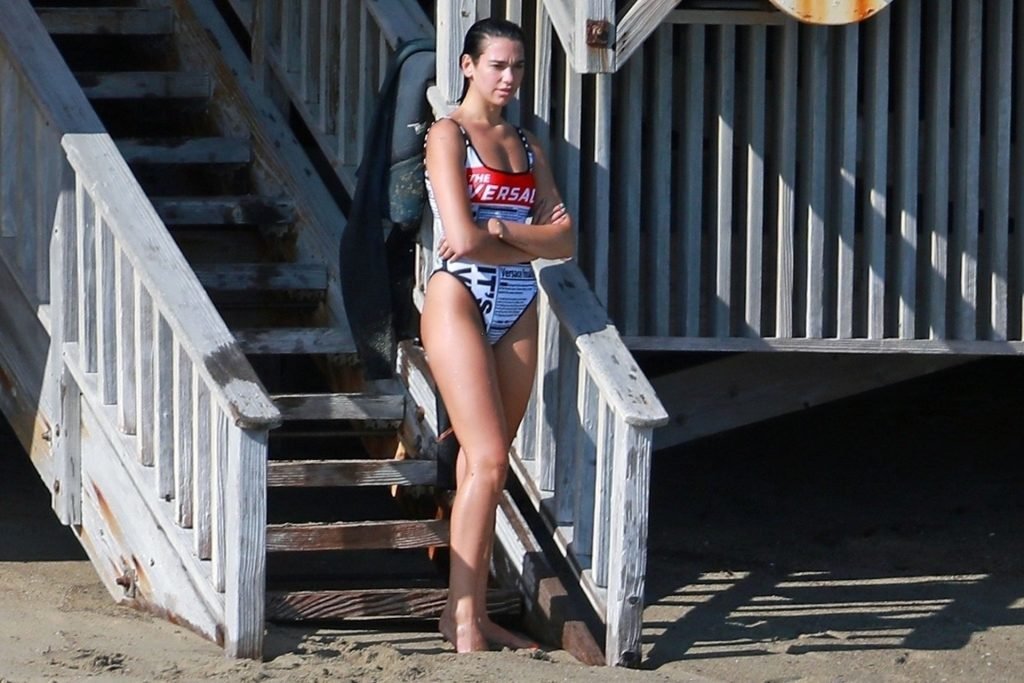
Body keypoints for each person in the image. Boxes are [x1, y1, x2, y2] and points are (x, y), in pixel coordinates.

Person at [420, 17, 574, 653]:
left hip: (516, 301)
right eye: (497, 66)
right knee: (485, 458)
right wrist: (525, 238)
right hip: (457, 294)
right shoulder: (448, 134)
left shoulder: (527, 144)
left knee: (486, 464)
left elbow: (565, 240)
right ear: (468, 66)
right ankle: (462, 623)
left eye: (517, 67)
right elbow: (461, 239)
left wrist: (505, 232)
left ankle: (472, 613)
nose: (509, 78)